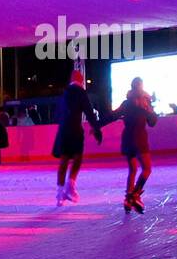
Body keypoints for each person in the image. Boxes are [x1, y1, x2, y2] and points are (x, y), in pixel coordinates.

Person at [105, 76, 157, 213]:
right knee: (147, 169)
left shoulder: (126, 103)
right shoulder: (144, 103)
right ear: (141, 86)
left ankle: (128, 200)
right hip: (139, 139)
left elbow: (112, 116)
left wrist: (97, 125)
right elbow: (152, 123)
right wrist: (150, 107)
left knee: (133, 169)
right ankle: (135, 195)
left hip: (128, 139)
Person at [52, 69, 102, 203]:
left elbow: (56, 114)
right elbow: (89, 111)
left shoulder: (64, 94)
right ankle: (70, 185)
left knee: (63, 161)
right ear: (80, 79)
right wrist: (96, 128)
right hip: (75, 130)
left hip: (63, 131)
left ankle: (59, 194)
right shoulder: (80, 91)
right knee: (77, 158)